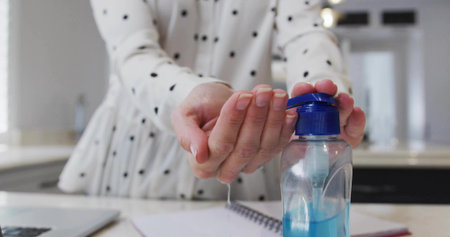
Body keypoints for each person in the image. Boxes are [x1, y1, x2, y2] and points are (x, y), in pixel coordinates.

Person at [58, 0, 365, 201]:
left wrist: (323, 92)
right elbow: (133, 53)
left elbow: (306, 35)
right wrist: (188, 96)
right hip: (137, 158)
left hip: (247, 146)